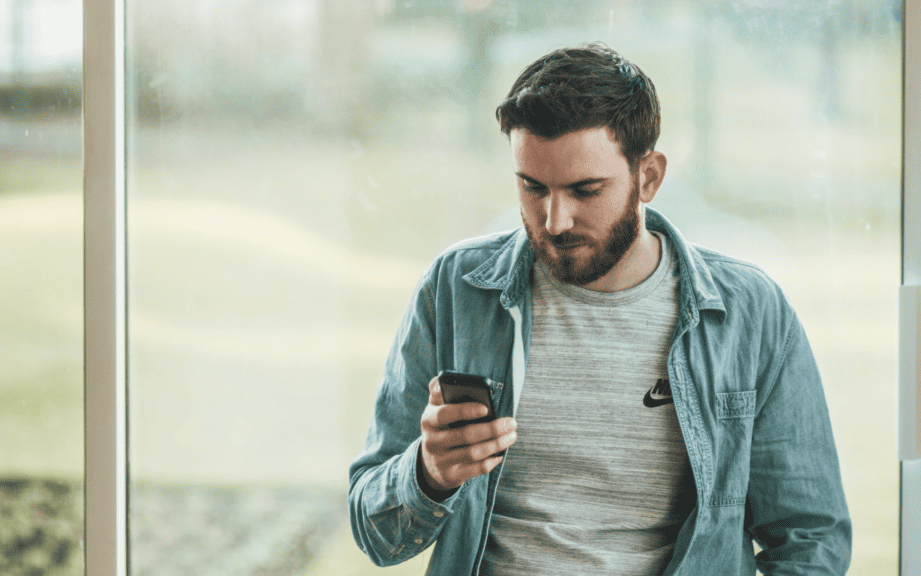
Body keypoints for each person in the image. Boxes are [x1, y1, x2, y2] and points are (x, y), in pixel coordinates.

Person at [348, 43, 851, 575]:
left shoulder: (750, 313)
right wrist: (429, 472)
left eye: (586, 190)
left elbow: (809, 539)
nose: (555, 220)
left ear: (649, 177)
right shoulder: (456, 290)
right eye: (531, 187)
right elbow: (374, 532)